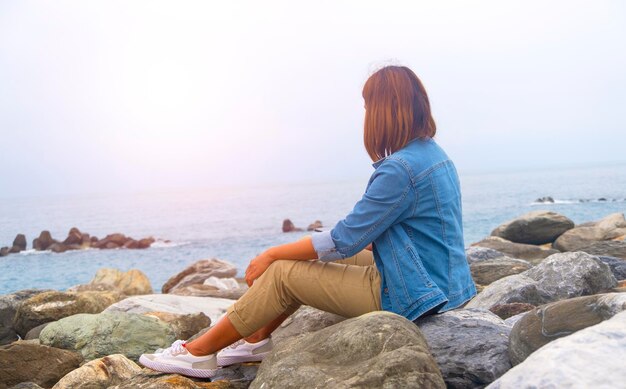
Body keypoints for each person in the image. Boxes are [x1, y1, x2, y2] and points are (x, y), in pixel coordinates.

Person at [139, 65, 477, 378]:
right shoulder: (434, 155)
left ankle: (199, 353)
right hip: (445, 282)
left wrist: (273, 254)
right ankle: (256, 338)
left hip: (415, 293)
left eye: (367, 106)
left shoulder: (399, 169)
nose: (365, 115)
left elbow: (344, 239)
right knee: (307, 252)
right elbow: (388, 233)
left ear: (384, 109)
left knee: (285, 270)